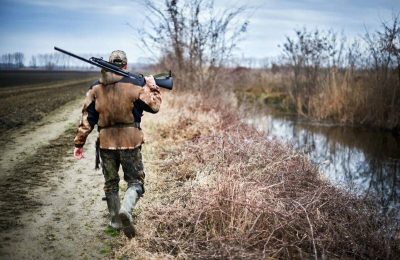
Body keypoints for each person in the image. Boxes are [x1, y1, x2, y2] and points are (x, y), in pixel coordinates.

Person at [73, 50, 162, 238]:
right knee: (136, 182)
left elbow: (87, 119)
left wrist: (79, 143)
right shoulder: (136, 84)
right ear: (126, 66)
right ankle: (126, 210)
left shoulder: (95, 88)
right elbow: (154, 107)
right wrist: (152, 87)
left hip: (106, 144)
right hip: (131, 141)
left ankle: (114, 221)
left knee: (111, 184)